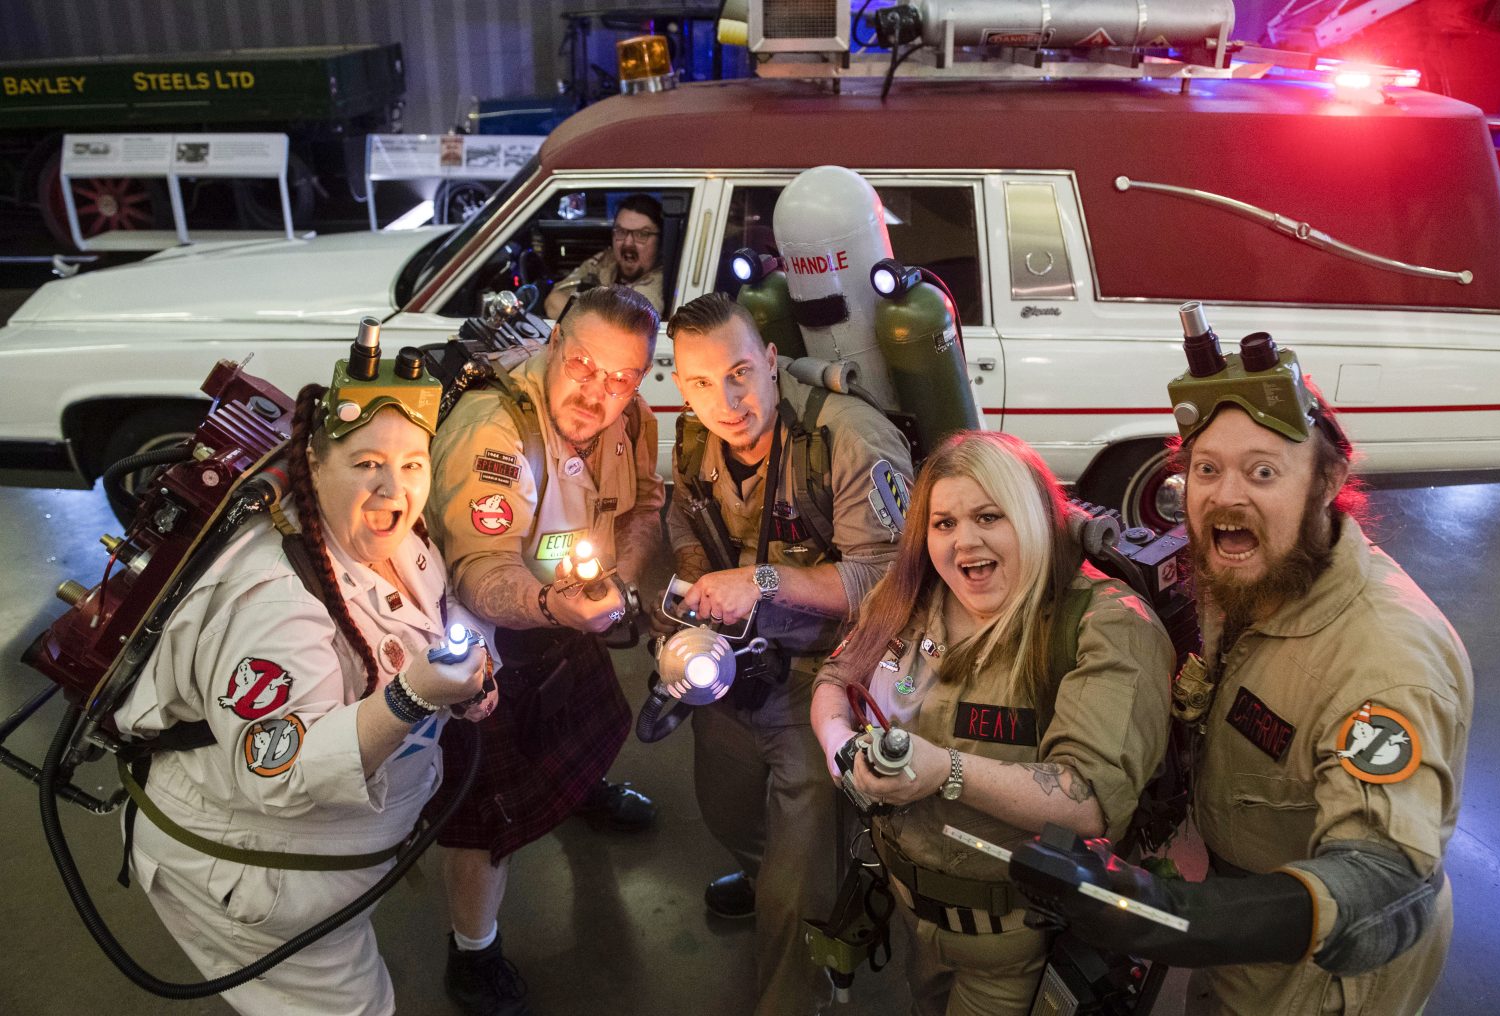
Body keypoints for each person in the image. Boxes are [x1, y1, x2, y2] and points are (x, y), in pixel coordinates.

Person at [1045, 344, 1472, 1016]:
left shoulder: (1386, 666)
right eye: (1207, 470)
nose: (1226, 494)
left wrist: (1177, 915)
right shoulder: (1251, 569)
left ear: (1327, 483)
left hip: (1318, 977)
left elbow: (1386, 886)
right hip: (1235, 930)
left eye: (1264, 471)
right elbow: (1128, 550)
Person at [112, 353, 493, 1016]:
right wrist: (416, 695)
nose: (393, 490)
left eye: (410, 464)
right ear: (312, 468)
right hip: (251, 873)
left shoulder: (397, 539)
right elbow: (279, 772)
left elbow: (434, 614)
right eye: (366, 463)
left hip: (332, 857)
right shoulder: (275, 606)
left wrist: (472, 678)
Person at [810, 431, 1175, 1016]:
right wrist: (840, 750)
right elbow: (835, 679)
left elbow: (1087, 802)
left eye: (988, 516)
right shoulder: (911, 595)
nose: (964, 543)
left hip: (1016, 941)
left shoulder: (1105, 626)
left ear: (1033, 517)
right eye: (944, 523)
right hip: (910, 912)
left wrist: (943, 772)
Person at [664, 292, 914, 1015]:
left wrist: (762, 580)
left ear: (772, 362)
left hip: (824, 674)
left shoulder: (848, 438)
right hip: (736, 667)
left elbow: (888, 575)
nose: (728, 400)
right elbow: (685, 515)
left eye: (741, 371)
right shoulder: (691, 441)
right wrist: (697, 588)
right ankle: (770, 869)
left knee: (794, 890)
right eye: (703, 383)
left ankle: (795, 986)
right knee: (724, 811)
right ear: (683, 388)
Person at [425, 285, 666, 1016]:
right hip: (490, 642)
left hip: (570, 616)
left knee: (584, 730)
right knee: (484, 815)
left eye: (622, 378)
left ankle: (576, 792)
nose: (599, 393)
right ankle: (474, 952)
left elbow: (646, 501)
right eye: (587, 365)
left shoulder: (631, 420)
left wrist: (618, 579)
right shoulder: (493, 433)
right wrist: (549, 604)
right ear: (556, 344)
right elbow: (478, 570)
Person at [544, 193, 666, 320]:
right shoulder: (607, 260)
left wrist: (577, 311)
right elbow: (554, 300)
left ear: (660, 242)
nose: (628, 242)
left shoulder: (657, 286)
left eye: (642, 234)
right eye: (621, 232)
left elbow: (621, 327)